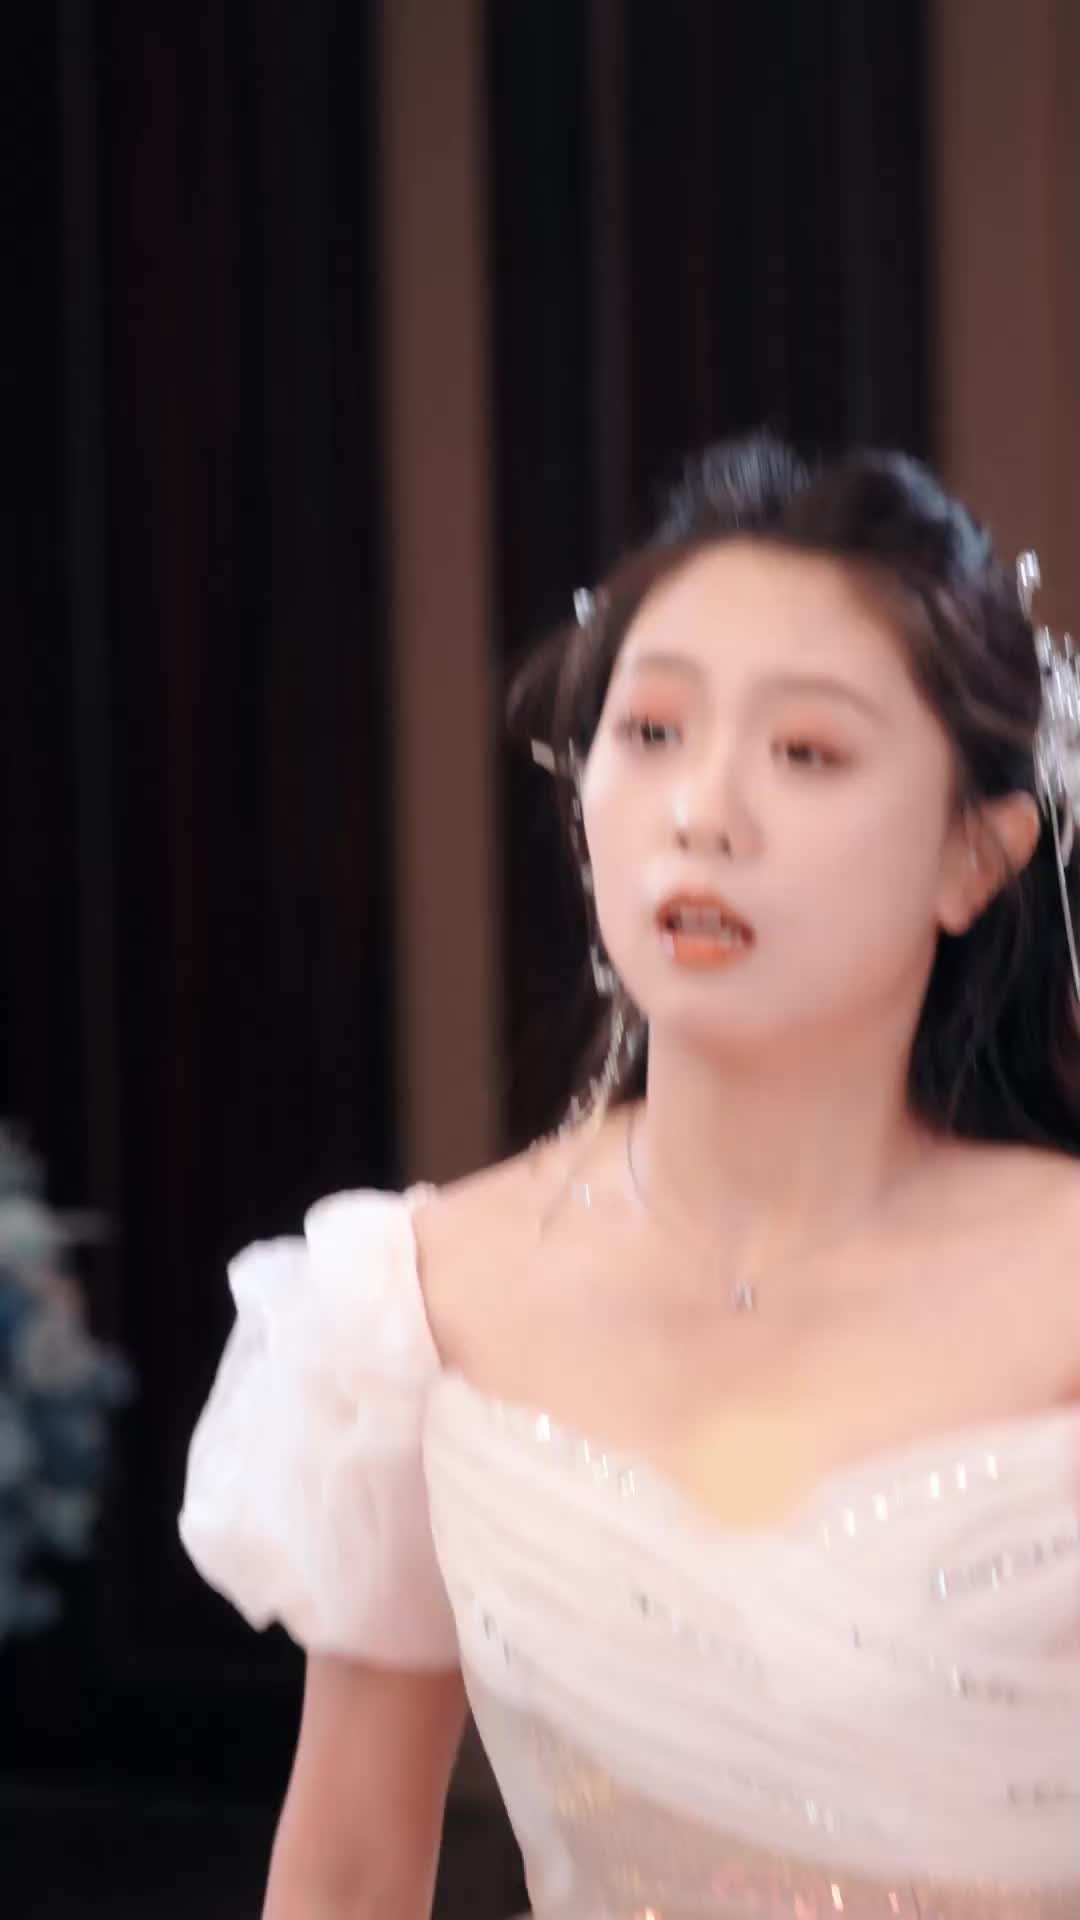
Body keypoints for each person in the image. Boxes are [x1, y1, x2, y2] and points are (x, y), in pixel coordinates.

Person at [179, 434, 1080, 1919]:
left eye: (807, 753)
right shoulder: (413, 1306)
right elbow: (346, 1865)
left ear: (974, 858)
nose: (701, 811)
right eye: (652, 730)